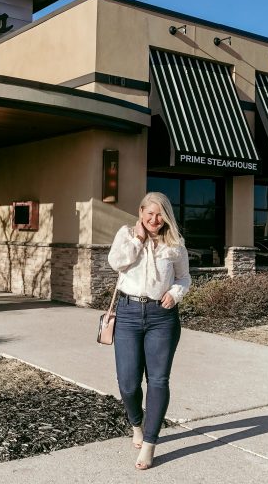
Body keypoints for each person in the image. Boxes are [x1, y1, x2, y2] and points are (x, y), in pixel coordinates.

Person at [107, 191, 191, 470]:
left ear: (166, 216)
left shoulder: (175, 243)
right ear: (141, 212)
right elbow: (117, 263)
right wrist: (139, 239)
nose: (154, 219)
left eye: (160, 214)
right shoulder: (126, 234)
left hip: (162, 316)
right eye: (149, 213)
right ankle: (137, 425)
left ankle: (150, 443)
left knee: (158, 380)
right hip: (129, 313)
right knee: (128, 383)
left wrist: (176, 293)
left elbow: (183, 277)